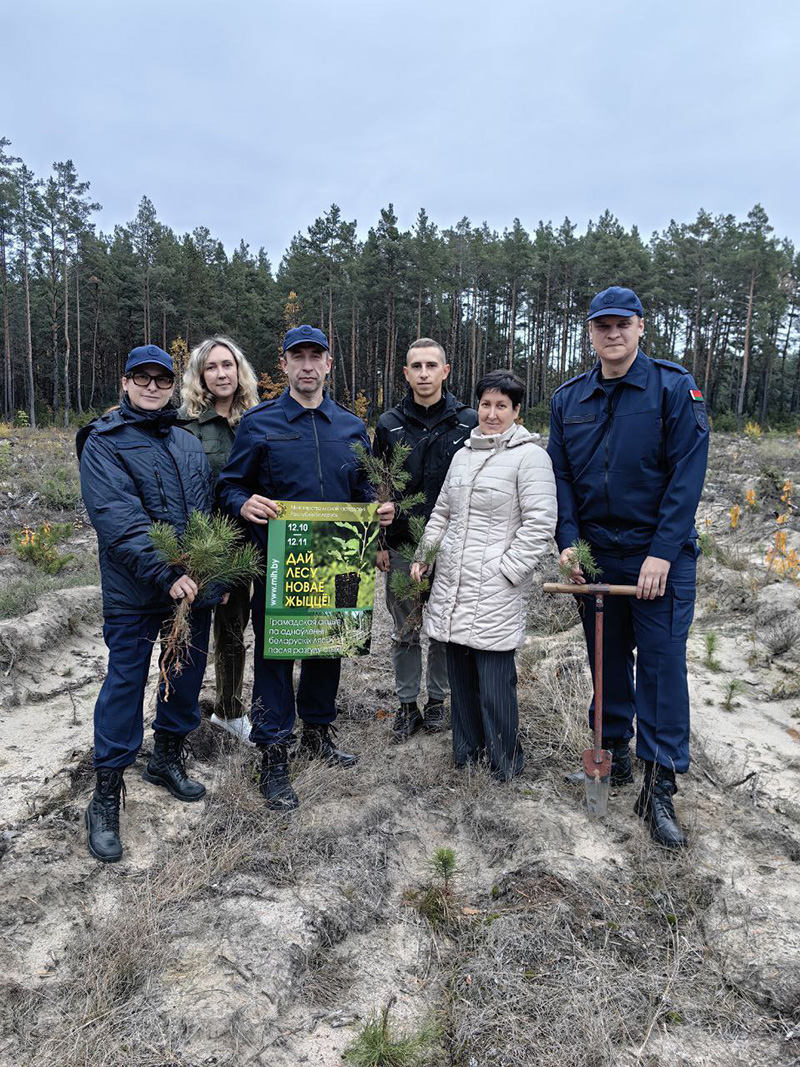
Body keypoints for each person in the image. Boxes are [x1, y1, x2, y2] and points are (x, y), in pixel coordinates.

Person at [547, 286, 710, 849]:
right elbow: (560, 477)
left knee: (662, 667)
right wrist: (569, 542)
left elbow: (687, 476)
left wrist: (663, 552)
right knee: (605, 658)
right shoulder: (569, 399)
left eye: (622, 324)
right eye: (601, 325)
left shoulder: (671, 388)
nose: (612, 334)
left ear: (641, 327)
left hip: (658, 555)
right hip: (596, 555)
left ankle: (658, 786)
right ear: (589, 333)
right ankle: (611, 757)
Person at [217, 325, 394, 811]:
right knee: (277, 654)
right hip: (284, 558)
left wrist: (378, 509)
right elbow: (230, 485)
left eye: (317, 356)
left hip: (339, 559)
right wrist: (243, 502)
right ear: (285, 365)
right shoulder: (260, 422)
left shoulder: (351, 426)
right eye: (299, 357)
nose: (308, 365)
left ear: (329, 364)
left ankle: (318, 731)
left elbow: (363, 490)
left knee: (328, 646)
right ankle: (273, 752)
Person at [77, 344, 224, 863]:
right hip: (136, 593)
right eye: (142, 378)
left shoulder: (185, 443)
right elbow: (117, 517)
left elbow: (206, 511)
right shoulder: (103, 440)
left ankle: (166, 758)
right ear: (125, 382)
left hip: (190, 592)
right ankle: (107, 794)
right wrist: (165, 573)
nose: (152, 387)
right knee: (125, 683)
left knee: (182, 677)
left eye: (162, 380)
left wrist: (208, 573)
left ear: (172, 386)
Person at [411, 370, 557, 780]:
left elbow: (540, 524)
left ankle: (505, 760)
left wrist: (506, 571)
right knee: (459, 674)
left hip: (495, 587)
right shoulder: (463, 454)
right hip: (454, 583)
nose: (492, 414)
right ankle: (466, 750)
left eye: (502, 406)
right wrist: (425, 555)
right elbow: (442, 513)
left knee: (494, 683)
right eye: (486, 404)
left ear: (516, 412)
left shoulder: (531, 457)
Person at [374, 338, 478, 742]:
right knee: (405, 628)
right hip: (402, 544)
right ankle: (405, 706)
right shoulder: (389, 424)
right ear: (405, 373)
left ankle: (437, 703)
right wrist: (379, 544)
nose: (423, 373)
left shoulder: (467, 421)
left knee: (443, 627)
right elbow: (378, 486)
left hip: (452, 545)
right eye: (415, 366)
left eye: (431, 366)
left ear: (445, 371)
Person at [178, 336, 260, 743]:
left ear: (239, 370)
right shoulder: (186, 425)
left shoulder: (258, 420)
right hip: (203, 547)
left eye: (227, 364)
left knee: (233, 631)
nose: (221, 373)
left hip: (249, 546)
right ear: (200, 375)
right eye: (211, 367)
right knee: (187, 633)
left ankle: (228, 710)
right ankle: (176, 714)